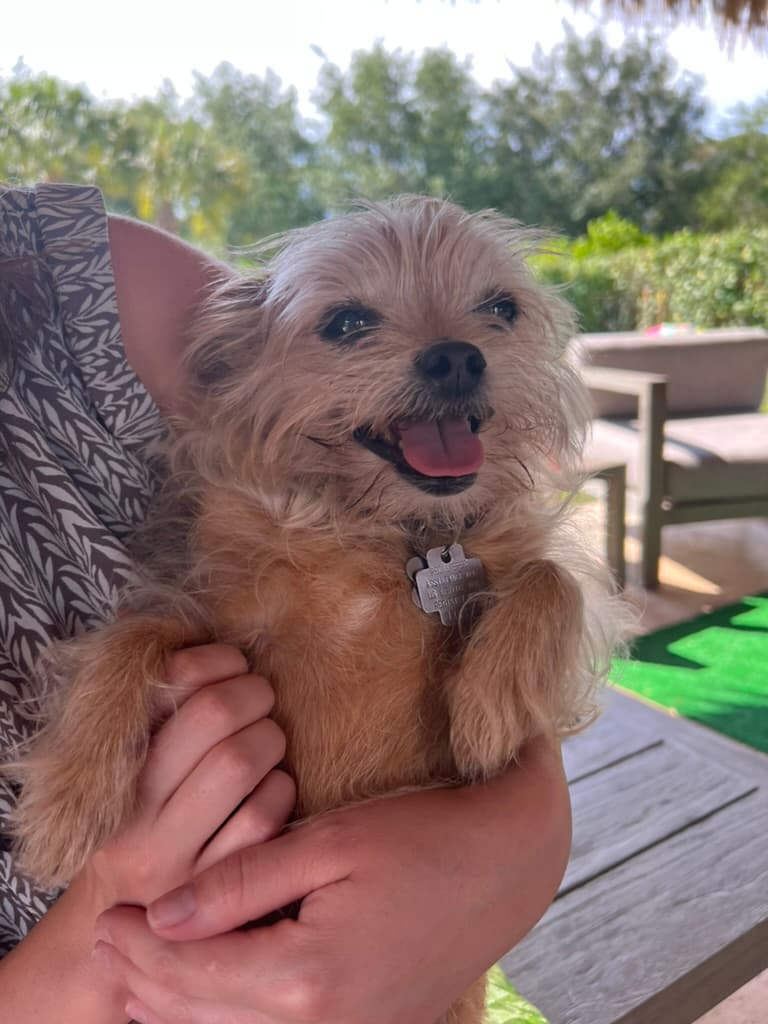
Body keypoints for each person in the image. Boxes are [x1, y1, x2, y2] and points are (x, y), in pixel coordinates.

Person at [0, 182, 571, 1023]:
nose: (451, 350)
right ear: (241, 357)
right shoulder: (241, 514)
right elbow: (178, 622)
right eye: (349, 322)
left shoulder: (81, 269)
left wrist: (524, 831)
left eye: (497, 310)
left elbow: (521, 768)